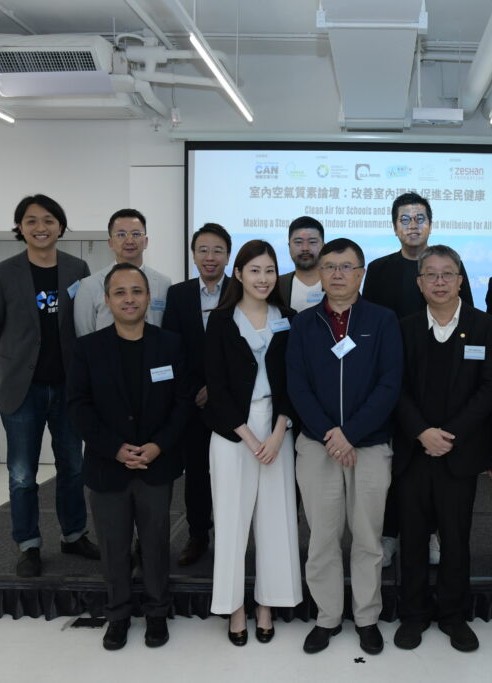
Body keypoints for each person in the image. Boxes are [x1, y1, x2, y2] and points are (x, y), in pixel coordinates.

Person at [67, 263, 192, 651]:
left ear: (147, 297)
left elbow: (183, 403)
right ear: (107, 300)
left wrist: (158, 445)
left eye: (136, 292)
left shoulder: (170, 343)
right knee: (114, 545)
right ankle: (118, 614)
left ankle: (157, 612)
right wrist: (115, 449)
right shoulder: (87, 349)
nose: (129, 299)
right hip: (108, 466)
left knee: (155, 544)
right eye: (120, 293)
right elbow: (78, 407)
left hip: (158, 463)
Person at [286, 238, 402, 656]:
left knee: (368, 537)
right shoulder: (303, 323)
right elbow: (296, 385)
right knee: (322, 537)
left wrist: (350, 433)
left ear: (361, 272)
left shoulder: (382, 320)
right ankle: (328, 617)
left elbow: (390, 383)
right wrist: (330, 435)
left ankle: (367, 616)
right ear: (319, 273)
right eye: (330, 266)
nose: (337, 274)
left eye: (346, 266)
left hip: (368, 445)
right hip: (317, 446)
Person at [0, 194, 99, 577]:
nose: (41, 227)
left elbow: (83, 322)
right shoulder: (2, 273)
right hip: (22, 390)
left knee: (73, 466)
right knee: (22, 473)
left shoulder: (77, 268)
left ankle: (74, 534)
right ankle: (28, 544)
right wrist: (14, 364)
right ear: (20, 228)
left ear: (61, 226)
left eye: (49, 220)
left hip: (67, 386)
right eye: (31, 221)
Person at [393, 245, 492, 653]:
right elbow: (395, 386)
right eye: (431, 275)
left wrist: (448, 434)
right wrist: (422, 432)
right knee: (414, 538)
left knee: (456, 541)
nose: (439, 282)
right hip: (413, 452)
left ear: (460, 280)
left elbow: (491, 387)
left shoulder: (484, 326)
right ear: (419, 283)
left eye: (447, 274)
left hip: (459, 453)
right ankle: (414, 615)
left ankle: (454, 616)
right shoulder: (402, 327)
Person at [363, 191, 473, 567]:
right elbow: (369, 324)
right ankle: (391, 532)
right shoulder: (378, 270)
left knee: (436, 466)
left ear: (430, 223)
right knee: (397, 464)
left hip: (441, 385)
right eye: (405, 219)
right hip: (394, 382)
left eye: (420, 218)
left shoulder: (450, 265)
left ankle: (431, 534)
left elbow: (467, 320)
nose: (413, 225)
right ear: (394, 227)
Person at [205, 240, 303, 646]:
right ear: (239, 274)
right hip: (233, 432)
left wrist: (279, 431)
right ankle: (236, 608)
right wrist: (248, 435)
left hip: (278, 427)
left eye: (269, 270)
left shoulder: (290, 318)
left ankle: (267, 604)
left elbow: (294, 381)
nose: (263, 279)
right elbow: (217, 386)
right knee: (231, 522)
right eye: (254, 270)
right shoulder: (221, 320)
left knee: (277, 519)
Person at [161, 223, 232, 566]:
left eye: (217, 250)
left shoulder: (242, 290)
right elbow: (171, 350)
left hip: (232, 403)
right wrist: (195, 391)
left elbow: (246, 351)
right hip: (194, 403)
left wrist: (217, 390)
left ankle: (234, 536)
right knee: (197, 474)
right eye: (203, 250)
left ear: (228, 255)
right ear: (193, 255)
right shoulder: (179, 294)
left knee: (233, 473)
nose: (210, 257)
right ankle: (198, 535)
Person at [73, 208, 172, 337]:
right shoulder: (89, 285)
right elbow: (84, 335)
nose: (129, 241)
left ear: (146, 241)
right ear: (110, 243)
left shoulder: (163, 283)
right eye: (121, 234)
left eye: (136, 234)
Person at [278, 215, 325, 312]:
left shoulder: (336, 282)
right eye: (298, 242)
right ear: (289, 246)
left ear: (323, 246)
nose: (305, 248)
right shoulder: (277, 285)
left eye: (312, 242)